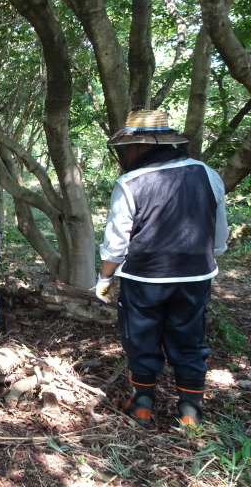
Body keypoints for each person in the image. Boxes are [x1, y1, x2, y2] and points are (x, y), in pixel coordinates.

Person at [94, 109, 228, 428]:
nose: (125, 153)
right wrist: (209, 258)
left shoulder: (130, 182)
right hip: (196, 276)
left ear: (142, 146)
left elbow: (116, 243)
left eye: (128, 146)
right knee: (190, 338)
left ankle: (142, 405)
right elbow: (218, 232)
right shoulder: (206, 173)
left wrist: (104, 278)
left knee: (141, 337)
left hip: (144, 278)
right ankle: (189, 412)